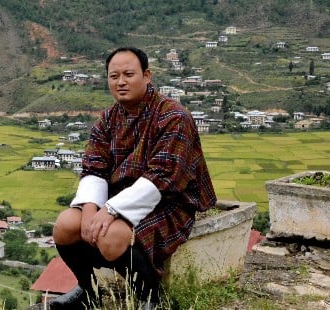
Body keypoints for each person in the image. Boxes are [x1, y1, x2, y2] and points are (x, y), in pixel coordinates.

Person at [49, 47, 216, 309]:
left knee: (110, 236)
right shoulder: (107, 119)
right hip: (120, 198)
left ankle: (149, 297)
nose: (121, 82)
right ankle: (88, 289)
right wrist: (91, 209)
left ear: (147, 76)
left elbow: (164, 177)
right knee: (66, 225)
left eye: (129, 74)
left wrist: (111, 210)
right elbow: (94, 167)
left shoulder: (173, 117)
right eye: (114, 76)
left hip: (169, 201)